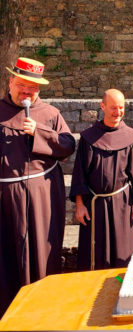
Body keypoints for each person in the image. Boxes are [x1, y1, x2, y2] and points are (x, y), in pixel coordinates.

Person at [0, 57, 75, 316]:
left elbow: (67, 145)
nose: (27, 92)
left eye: (33, 88)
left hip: (43, 197)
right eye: (22, 85)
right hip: (5, 200)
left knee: (43, 250)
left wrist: (39, 132)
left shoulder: (50, 114)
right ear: (11, 82)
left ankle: (43, 309)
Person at [69, 89, 133, 270]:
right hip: (94, 206)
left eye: (121, 108)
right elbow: (79, 174)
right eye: (113, 108)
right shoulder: (88, 138)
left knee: (123, 255)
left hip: (122, 204)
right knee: (94, 256)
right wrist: (80, 205)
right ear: (102, 106)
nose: (117, 112)